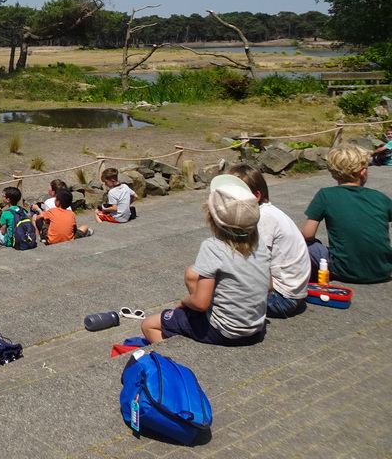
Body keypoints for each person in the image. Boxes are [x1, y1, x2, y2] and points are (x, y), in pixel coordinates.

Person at [142, 175, 269, 346]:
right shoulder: (259, 243)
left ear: (212, 217)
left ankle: (173, 361)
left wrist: (185, 301)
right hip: (255, 329)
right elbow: (269, 285)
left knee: (149, 324)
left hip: (224, 331)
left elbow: (201, 304)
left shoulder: (213, 247)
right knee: (193, 275)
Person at [302, 144, 392, 284]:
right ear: (363, 172)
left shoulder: (325, 195)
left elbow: (308, 234)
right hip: (384, 270)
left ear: (333, 172)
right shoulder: (379, 197)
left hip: (342, 270)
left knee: (305, 244)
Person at [229, 164, 309, 318]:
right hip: (293, 294)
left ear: (256, 196)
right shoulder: (270, 212)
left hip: (281, 299)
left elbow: (261, 266)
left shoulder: (262, 219)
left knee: (219, 291)